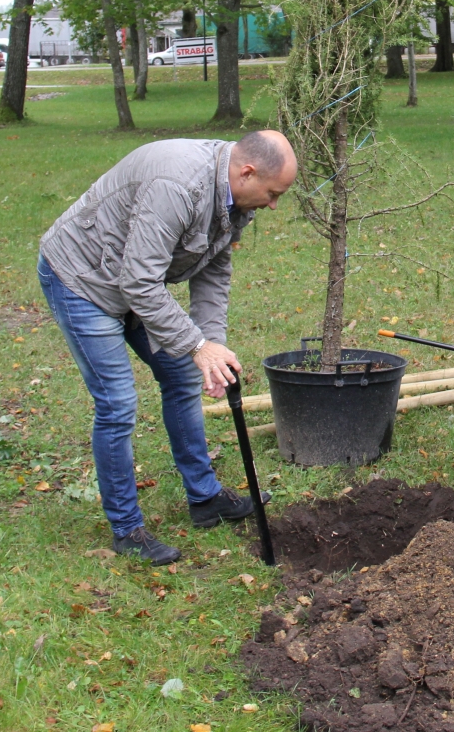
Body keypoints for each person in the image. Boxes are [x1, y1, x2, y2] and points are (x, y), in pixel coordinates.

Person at [38, 130, 298, 565]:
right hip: (82, 280)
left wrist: (211, 344)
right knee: (118, 403)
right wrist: (196, 345)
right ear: (247, 172)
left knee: (179, 377)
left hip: (130, 281)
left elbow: (214, 270)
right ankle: (127, 530)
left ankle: (205, 498)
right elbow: (138, 282)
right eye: (272, 194)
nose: (273, 205)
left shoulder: (233, 195)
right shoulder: (178, 186)